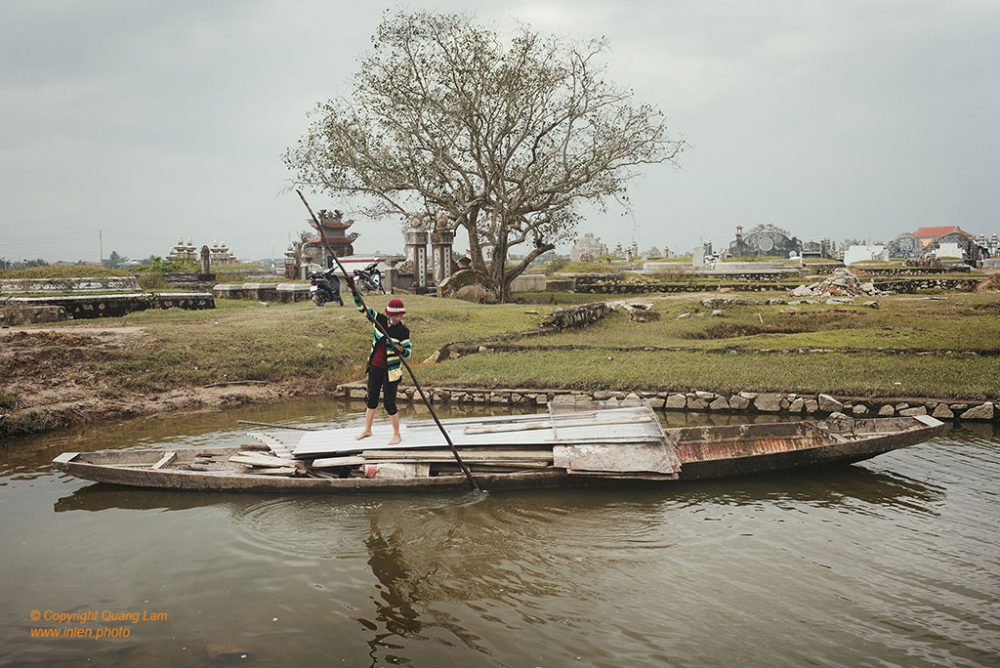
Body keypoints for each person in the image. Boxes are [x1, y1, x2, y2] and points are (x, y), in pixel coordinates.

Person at [353, 290, 412, 445]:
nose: (398, 318)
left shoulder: (403, 331)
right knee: (371, 399)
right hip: (375, 367)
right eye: (396, 316)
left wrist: (401, 350)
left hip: (391, 371)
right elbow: (363, 309)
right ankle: (367, 429)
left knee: (389, 403)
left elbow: (408, 353)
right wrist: (354, 292)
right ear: (389, 315)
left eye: (401, 316)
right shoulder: (378, 320)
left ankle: (397, 434)